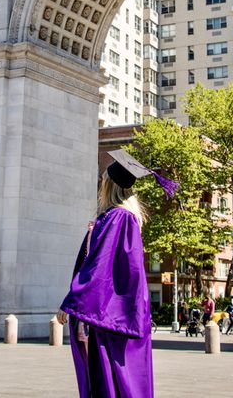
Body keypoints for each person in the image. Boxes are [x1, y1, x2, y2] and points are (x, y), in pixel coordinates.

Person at [57, 148, 178, 398]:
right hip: (113, 314)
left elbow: (100, 266)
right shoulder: (118, 218)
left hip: (108, 316)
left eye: (102, 181)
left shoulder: (118, 218)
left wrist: (72, 302)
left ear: (108, 185)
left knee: (112, 381)